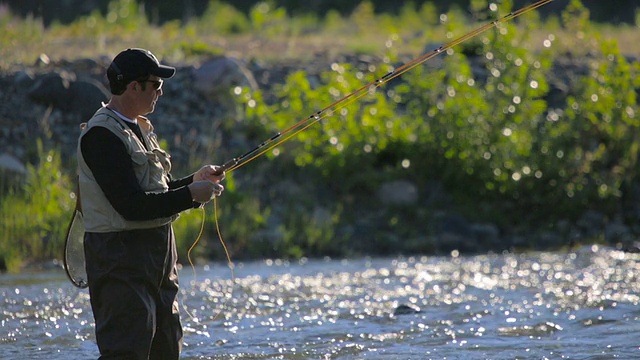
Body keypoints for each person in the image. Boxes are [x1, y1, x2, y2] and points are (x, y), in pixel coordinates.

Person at [77, 48, 225, 359]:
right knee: (126, 351)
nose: (160, 92)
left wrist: (193, 181)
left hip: (156, 259)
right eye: (156, 84)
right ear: (134, 87)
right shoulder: (102, 135)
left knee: (166, 349)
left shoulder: (139, 129)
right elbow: (129, 205)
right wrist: (188, 197)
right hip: (120, 260)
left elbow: (155, 191)